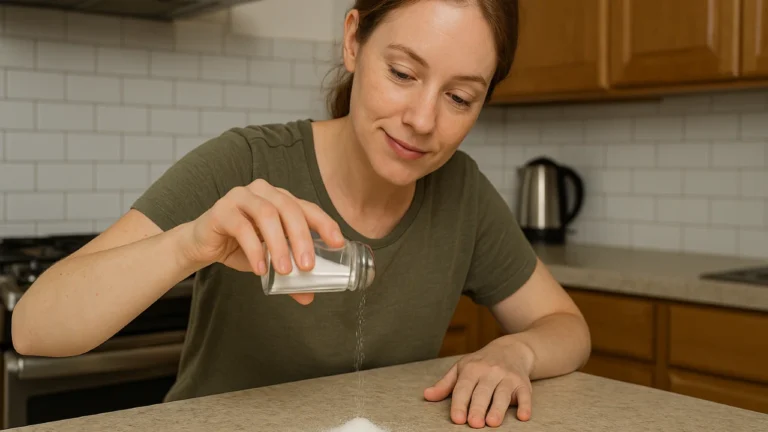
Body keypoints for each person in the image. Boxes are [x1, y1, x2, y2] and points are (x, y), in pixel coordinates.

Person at [11, 0, 591, 428]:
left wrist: (514, 351)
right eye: (403, 74)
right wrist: (189, 244)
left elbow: (566, 327)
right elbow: (34, 327)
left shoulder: (462, 194)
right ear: (354, 41)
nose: (422, 119)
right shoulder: (245, 161)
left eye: (460, 98)